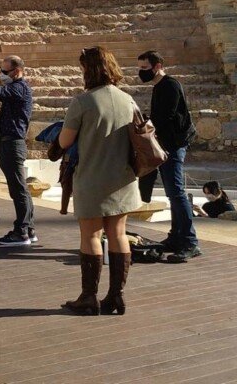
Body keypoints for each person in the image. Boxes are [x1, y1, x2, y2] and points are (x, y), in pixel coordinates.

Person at [58, 46, 142, 316]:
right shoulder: (128, 100)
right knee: (118, 234)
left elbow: (64, 141)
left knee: (91, 235)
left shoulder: (83, 102)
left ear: (89, 70)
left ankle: (89, 297)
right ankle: (116, 296)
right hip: (123, 179)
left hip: (92, 178)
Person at [137, 50, 201, 263]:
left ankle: (190, 242)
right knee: (172, 194)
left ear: (157, 66)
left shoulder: (170, 85)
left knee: (177, 193)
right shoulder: (159, 87)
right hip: (166, 145)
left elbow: (166, 118)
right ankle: (175, 237)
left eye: (145, 68)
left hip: (173, 146)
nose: (141, 72)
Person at [0, 55, 35, 246]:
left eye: (5, 71)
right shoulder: (16, 88)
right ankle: (28, 228)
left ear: (17, 71)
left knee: (18, 189)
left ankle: (21, 231)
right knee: (19, 188)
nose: (2, 75)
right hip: (8, 143)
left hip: (12, 144)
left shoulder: (19, 87)